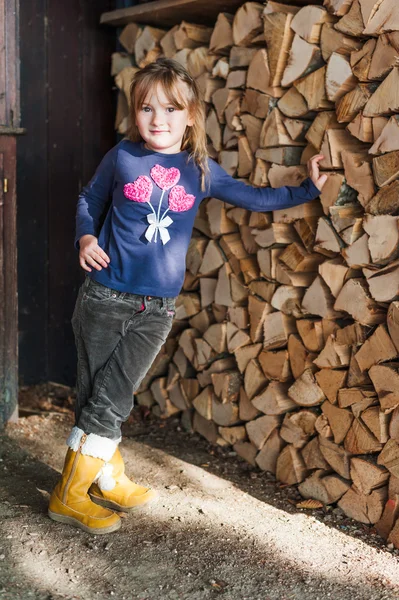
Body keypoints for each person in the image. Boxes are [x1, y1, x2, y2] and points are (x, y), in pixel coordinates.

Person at [48, 57, 328, 535]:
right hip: (104, 297)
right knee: (102, 394)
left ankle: (98, 479)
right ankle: (75, 493)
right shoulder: (122, 158)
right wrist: (86, 238)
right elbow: (89, 201)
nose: (158, 120)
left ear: (192, 115)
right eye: (147, 109)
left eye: (171, 109)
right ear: (135, 113)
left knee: (112, 395)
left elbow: (255, 197)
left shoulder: (200, 170)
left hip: (155, 309)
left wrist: (308, 189)